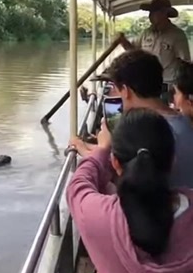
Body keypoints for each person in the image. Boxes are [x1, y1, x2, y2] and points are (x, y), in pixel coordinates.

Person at [67, 109, 193, 273]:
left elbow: (77, 188)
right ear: (172, 161)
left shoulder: (104, 219)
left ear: (115, 162)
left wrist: (101, 151)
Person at [72, 49, 193, 188]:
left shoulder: (152, 131)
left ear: (125, 90)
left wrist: (88, 150)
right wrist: (90, 147)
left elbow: (123, 172)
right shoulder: (182, 121)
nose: (113, 93)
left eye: (115, 88)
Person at [120, 0, 190, 93]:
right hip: (146, 81)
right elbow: (133, 51)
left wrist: (181, 89)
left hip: (166, 85)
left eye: (153, 12)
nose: (150, 15)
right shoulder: (146, 33)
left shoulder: (177, 35)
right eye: (150, 12)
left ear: (164, 13)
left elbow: (185, 63)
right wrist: (123, 41)